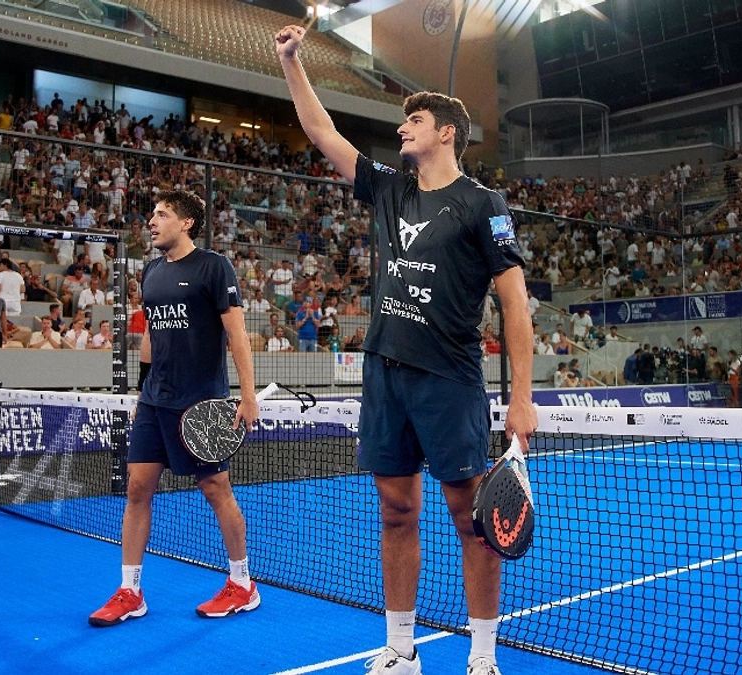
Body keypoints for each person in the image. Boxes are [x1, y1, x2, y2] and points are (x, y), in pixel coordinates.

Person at [277, 25, 537, 675]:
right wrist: (291, 62)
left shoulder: (484, 205)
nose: (402, 130)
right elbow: (320, 133)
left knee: (470, 516)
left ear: (447, 131)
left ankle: (482, 658)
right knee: (396, 509)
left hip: (449, 378)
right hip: (384, 375)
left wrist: (524, 398)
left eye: (413, 120)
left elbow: (513, 302)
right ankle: (400, 649)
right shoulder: (388, 189)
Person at [89, 190, 260, 628]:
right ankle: (130, 591)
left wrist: (247, 395)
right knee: (137, 488)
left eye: (162, 214)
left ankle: (243, 583)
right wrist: (142, 394)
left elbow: (236, 335)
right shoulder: (150, 272)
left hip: (200, 402)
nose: (152, 221)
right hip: (154, 401)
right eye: (152, 214)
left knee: (215, 488)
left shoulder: (213, 266)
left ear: (186, 222)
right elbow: (151, 336)